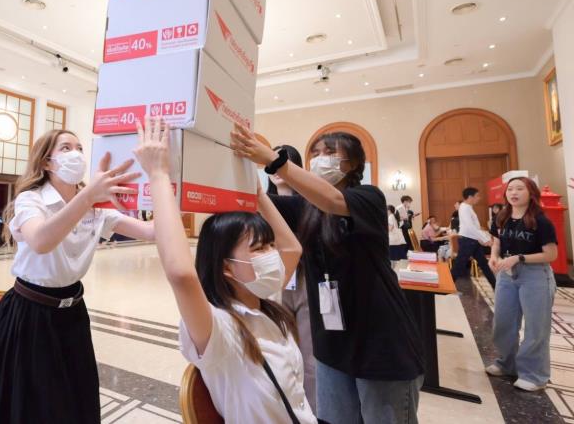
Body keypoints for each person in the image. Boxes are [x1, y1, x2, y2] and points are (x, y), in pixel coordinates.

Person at [231, 123, 424, 424]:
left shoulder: (368, 197)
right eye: (316, 152)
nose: (321, 158)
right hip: (332, 343)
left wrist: (273, 159)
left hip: (380, 340)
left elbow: (333, 201)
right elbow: (257, 203)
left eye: (330, 152)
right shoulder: (305, 208)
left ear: (354, 163)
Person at [134, 117, 317, 423]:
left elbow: (292, 249)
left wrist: (257, 194)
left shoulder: (264, 302)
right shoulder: (219, 328)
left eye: (270, 245)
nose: (272, 255)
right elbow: (181, 274)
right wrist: (158, 175)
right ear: (227, 267)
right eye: (258, 249)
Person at [0, 129, 155, 423]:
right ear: (46, 162)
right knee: (30, 407)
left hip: (72, 313)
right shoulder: (31, 200)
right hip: (29, 315)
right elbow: (41, 240)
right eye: (66, 148)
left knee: (73, 399)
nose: (76, 153)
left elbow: (152, 232)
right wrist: (88, 197)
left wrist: (162, 181)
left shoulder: (97, 209)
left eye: (79, 148)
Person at [485, 177, 558, 391]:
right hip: (506, 274)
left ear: (531, 193)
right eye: (510, 189)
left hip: (534, 275)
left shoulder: (540, 221)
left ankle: (534, 375)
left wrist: (519, 258)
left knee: (536, 326)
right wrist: (493, 256)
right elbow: (496, 241)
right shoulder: (502, 216)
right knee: (503, 322)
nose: (513, 193)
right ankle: (506, 364)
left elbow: (551, 254)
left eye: (519, 189)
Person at [267, 144, 316, 409]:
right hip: (274, 281)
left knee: (309, 353)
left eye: (280, 162)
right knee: (277, 348)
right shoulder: (263, 203)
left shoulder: (310, 202)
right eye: (269, 162)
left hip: (306, 280)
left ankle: (313, 411)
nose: (273, 168)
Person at [451, 187, 496, 288]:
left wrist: (481, 238)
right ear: (470, 197)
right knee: (459, 266)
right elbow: (470, 227)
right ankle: (446, 289)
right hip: (467, 241)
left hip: (472, 240)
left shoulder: (467, 207)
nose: (479, 198)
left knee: (484, 264)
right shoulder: (464, 208)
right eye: (477, 196)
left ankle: (495, 287)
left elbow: (474, 227)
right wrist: (485, 239)